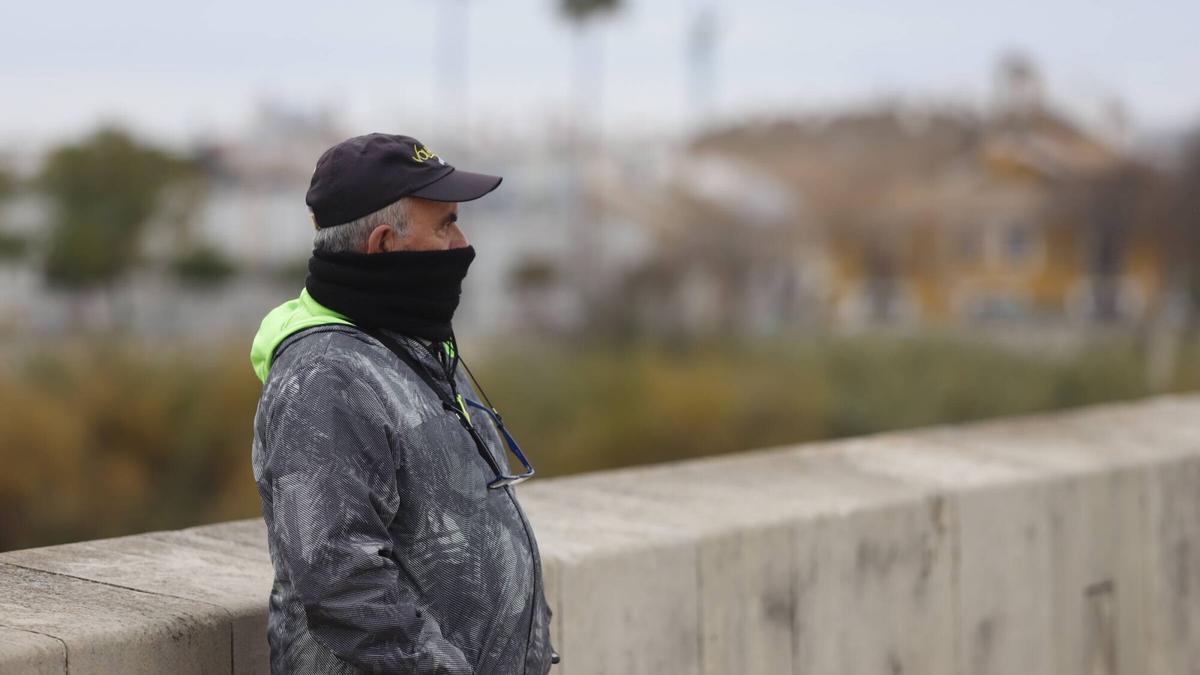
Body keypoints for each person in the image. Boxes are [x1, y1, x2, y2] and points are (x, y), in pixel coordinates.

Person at [248, 133, 558, 674]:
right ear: (385, 244)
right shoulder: (327, 378)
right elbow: (341, 581)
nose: (462, 242)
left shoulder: (411, 347)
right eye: (445, 225)